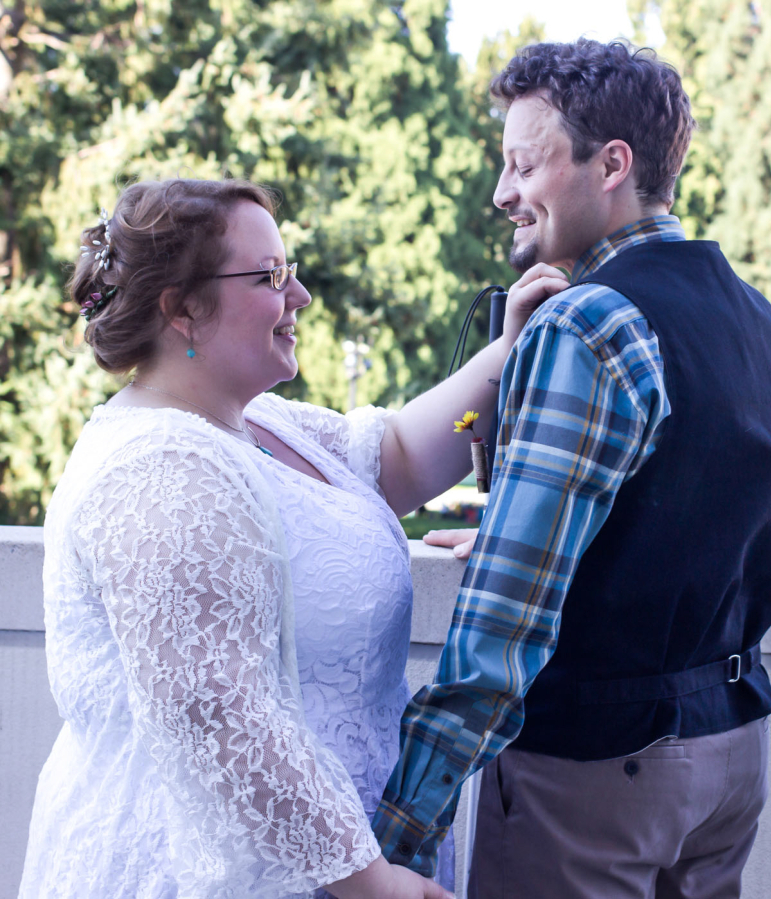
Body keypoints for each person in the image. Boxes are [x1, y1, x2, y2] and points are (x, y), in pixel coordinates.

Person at [17, 178, 564, 899]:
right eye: (271, 276)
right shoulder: (157, 473)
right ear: (182, 309)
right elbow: (216, 714)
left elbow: (396, 456)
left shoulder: (259, 424)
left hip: (339, 864)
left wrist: (509, 347)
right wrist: (369, 881)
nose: (300, 294)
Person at [372, 39, 771, 898]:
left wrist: (403, 831)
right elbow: (707, 510)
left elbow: (499, 630)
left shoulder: (585, 328)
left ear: (611, 163)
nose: (503, 193)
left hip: (592, 778)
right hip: (730, 763)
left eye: (523, 164)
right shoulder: (770, 325)